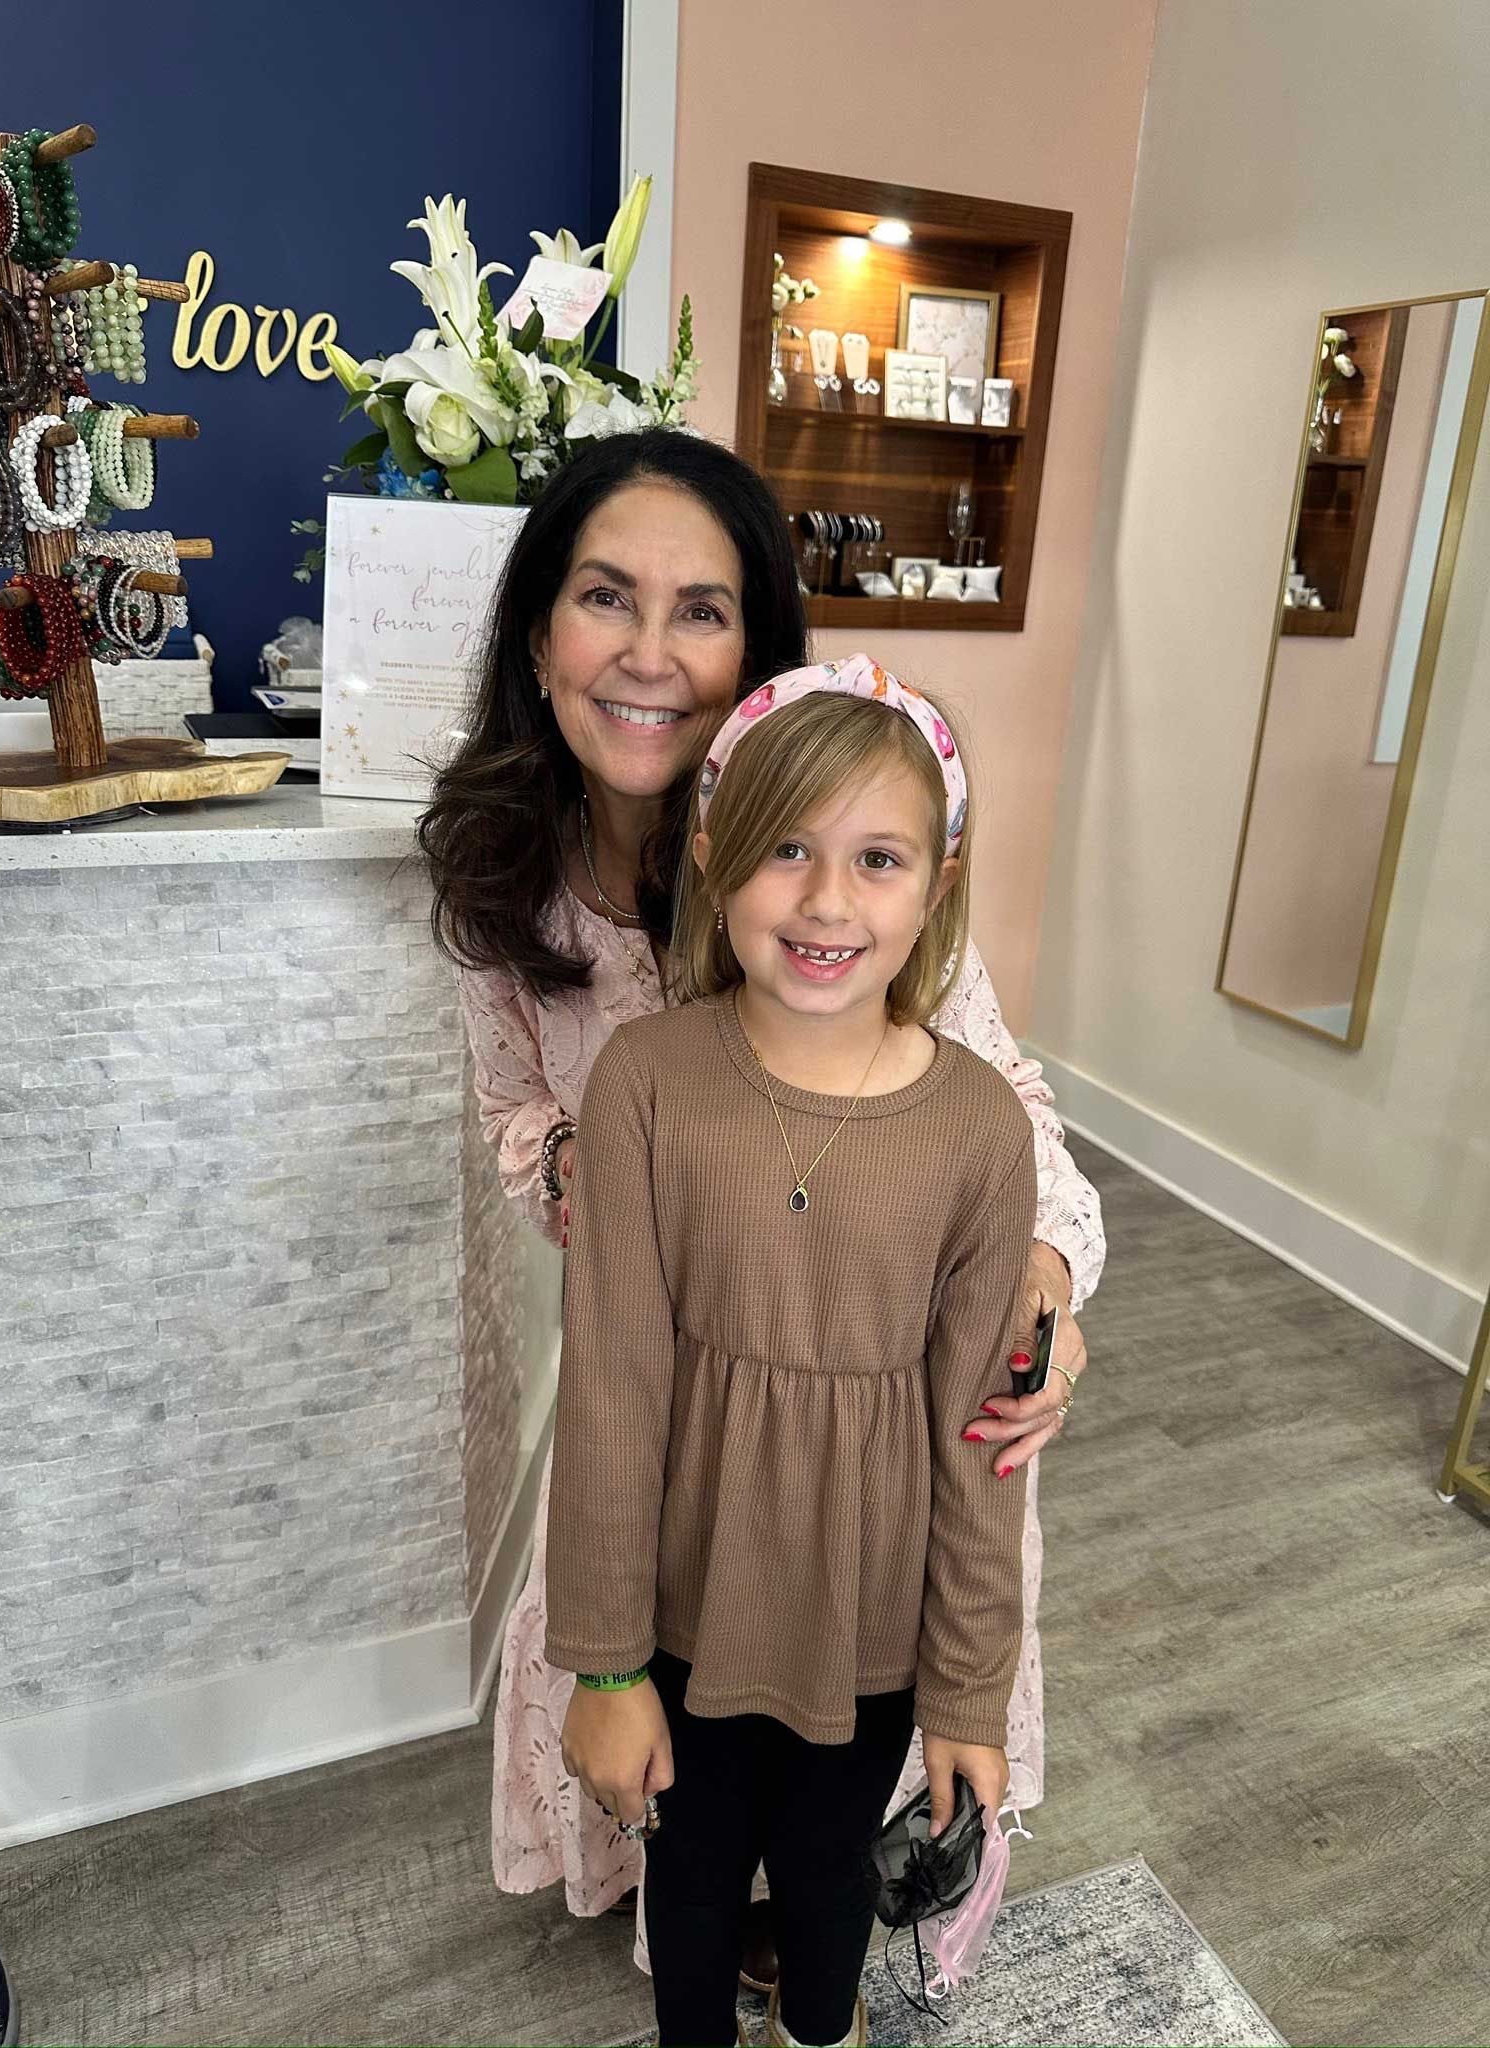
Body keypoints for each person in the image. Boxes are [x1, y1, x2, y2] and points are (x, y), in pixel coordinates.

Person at [421, 430, 1104, 1978]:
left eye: (705, 611)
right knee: (681, 1744)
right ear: (538, 633)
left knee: (835, 1768)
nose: (650, 653)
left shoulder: (840, 874)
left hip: (871, 1417)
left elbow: (1008, 1119)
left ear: (758, 651)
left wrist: (1044, 1287)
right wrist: (606, 1171)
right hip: (674, 1394)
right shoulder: (499, 876)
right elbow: (515, 1116)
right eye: (607, 598)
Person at [548, 658, 1035, 2048]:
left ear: (937, 885)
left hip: (867, 1628)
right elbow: (612, 1392)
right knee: (691, 1891)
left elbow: (977, 1447)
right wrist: (605, 1670)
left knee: (830, 1891)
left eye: (879, 858)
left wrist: (968, 1695)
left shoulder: (981, 1131)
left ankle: (823, 2029)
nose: (828, 901)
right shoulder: (646, 1085)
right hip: (679, 1617)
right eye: (787, 849)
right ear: (713, 858)